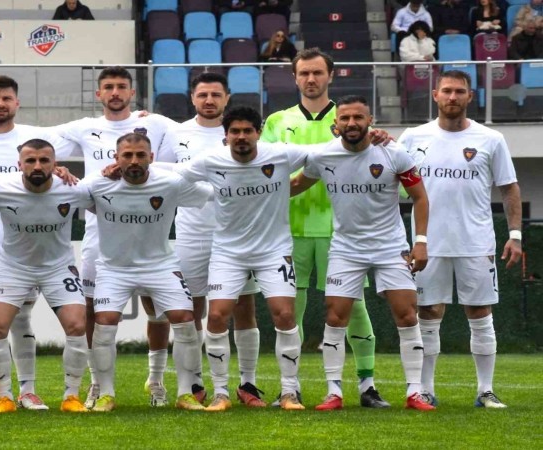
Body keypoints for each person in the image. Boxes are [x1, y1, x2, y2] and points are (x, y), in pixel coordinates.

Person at [161, 106, 315, 411]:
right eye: (235, 131)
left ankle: (289, 392)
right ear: (226, 135)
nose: (241, 137)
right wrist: (126, 164)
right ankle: (220, 393)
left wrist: (375, 139)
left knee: (284, 314)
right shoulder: (211, 160)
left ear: (258, 133)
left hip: (274, 251)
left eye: (247, 131)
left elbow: (324, 155)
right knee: (217, 316)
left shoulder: (280, 154)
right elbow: (175, 171)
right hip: (228, 254)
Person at [261, 48, 389, 409]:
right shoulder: (277, 121)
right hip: (290, 230)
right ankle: (291, 388)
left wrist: (384, 138)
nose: (311, 79)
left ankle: (367, 385)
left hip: (343, 232)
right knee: (292, 312)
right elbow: (262, 169)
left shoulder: (351, 117)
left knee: (355, 310)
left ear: (330, 75)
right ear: (295, 77)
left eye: (317, 72)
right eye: (304, 73)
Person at [291, 95, 434, 412]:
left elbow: (420, 197)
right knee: (335, 316)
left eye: (358, 117)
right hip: (346, 248)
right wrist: (256, 194)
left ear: (371, 121)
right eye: (345, 118)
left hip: (391, 247)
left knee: (407, 315)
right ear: (336, 124)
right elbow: (297, 184)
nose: (352, 123)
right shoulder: (322, 156)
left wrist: (421, 241)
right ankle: (334, 392)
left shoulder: (394, 152)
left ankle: (415, 392)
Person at [53, 67, 180, 408]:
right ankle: (98, 384)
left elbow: (193, 141)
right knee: (93, 310)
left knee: (157, 310)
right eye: (108, 87)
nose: (115, 92)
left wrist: (130, 169)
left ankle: (156, 380)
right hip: (100, 235)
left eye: (121, 86)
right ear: (99, 94)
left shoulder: (156, 123)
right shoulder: (85, 127)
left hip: (148, 233)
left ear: (131, 92)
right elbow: (32, 140)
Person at [397, 70, 522, 408]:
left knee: (480, 313)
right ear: (435, 95)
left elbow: (509, 187)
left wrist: (515, 235)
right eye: (447, 91)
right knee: (428, 313)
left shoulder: (490, 138)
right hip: (427, 243)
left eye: (460, 91)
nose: (453, 97)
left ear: (470, 96)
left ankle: (485, 390)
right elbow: (387, 181)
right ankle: (425, 389)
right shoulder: (413, 136)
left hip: (476, 242)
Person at [0, 75, 78, 411]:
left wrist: (141, 118)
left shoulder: (36, 137)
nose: (0, 104)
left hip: (22, 248)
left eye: (6, 98)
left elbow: (90, 135)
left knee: (21, 319)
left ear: (17, 103)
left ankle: (27, 391)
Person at [86, 133, 212, 412]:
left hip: (161, 266)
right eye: (127, 155)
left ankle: (185, 393)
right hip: (114, 268)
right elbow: (64, 192)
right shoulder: (97, 184)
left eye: (140, 155)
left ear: (151, 158)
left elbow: (211, 192)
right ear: (116, 158)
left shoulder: (170, 183)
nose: (134, 160)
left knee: (185, 319)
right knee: (104, 323)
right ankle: (106, 394)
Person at [163, 72, 265, 407]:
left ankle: (248, 384)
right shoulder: (175, 133)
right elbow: (159, 173)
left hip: (238, 236)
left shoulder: (242, 132)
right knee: (191, 310)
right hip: (191, 234)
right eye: (203, 94)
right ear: (192, 97)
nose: (209, 100)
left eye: (216, 95)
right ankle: (194, 384)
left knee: (244, 307)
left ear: (227, 97)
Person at [0, 139, 91, 414]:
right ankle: (4, 398)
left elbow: (111, 198)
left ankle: (71, 397)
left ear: (56, 164)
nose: (37, 166)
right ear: (19, 164)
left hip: (58, 268)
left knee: (77, 325)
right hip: (13, 267)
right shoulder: (1, 189)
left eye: (44, 160)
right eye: (30, 160)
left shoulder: (73, 189)